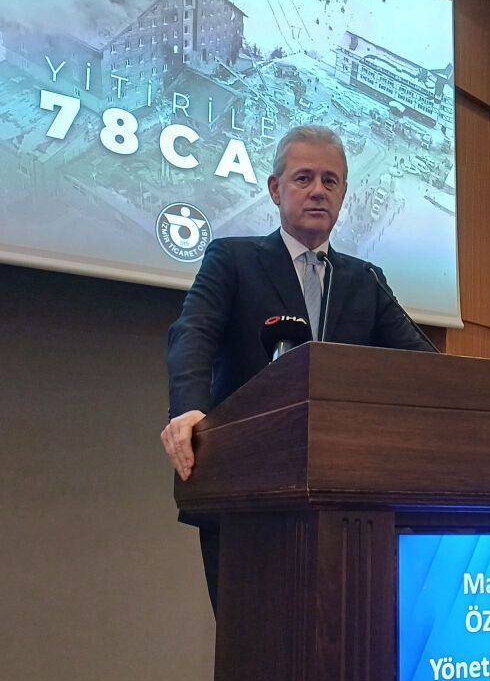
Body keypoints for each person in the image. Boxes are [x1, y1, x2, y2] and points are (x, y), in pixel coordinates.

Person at [161, 124, 434, 610]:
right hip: (247, 484)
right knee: (252, 638)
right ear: (275, 189)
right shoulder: (233, 259)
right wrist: (188, 409)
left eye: (330, 181)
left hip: (344, 492)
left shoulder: (366, 280)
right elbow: (193, 332)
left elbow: (423, 366)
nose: (318, 191)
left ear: (343, 194)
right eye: (303, 178)